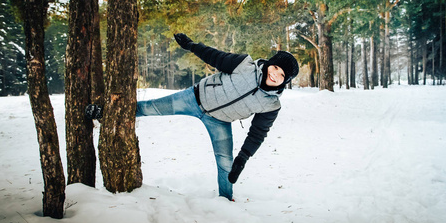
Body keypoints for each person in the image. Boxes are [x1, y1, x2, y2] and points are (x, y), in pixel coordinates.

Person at [86, 33, 299, 201]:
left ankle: (226, 201)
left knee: (226, 163)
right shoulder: (244, 65)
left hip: (220, 122)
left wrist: (243, 158)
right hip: (194, 98)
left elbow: (258, 133)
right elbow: (215, 56)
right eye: (276, 68)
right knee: (150, 108)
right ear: (271, 63)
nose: (275, 75)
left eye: (282, 75)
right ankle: (104, 112)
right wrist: (191, 46)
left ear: (285, 81)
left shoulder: (272, 105)